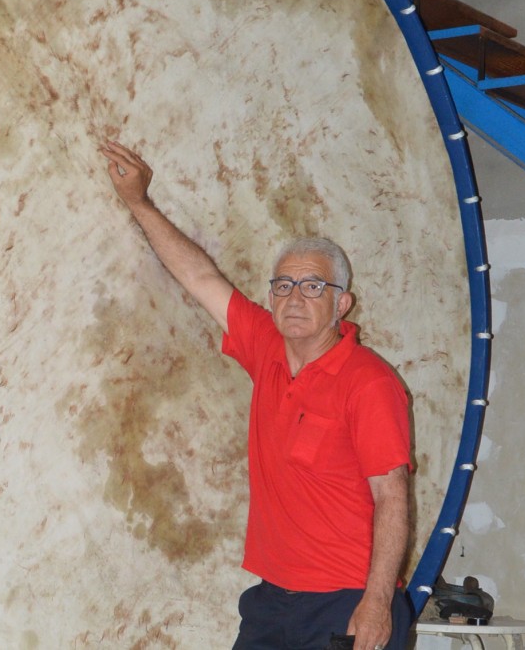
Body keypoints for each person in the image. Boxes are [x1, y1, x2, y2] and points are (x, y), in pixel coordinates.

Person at [100, 141, 413, 650]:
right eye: (284, 285)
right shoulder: (266, 346)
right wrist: (139, 202)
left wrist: (376, 603)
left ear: (343, 304)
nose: (295, 298)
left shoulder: (369, 382)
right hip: (273, 601)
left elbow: (391, 496)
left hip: (345, 602)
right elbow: (200, 276)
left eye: (314, 287)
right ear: (270, 298)